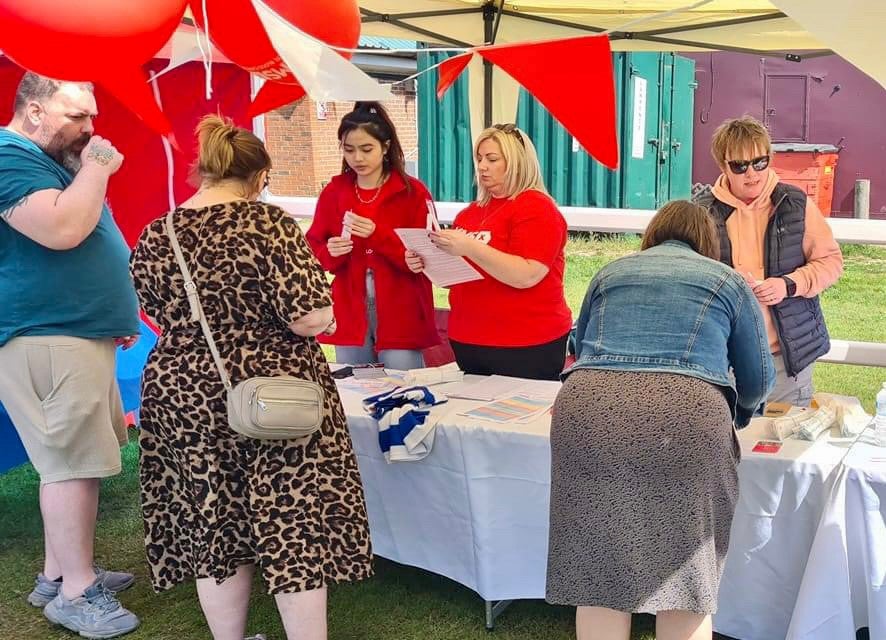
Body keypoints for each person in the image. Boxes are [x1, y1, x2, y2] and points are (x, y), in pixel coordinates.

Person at [129, 115, 372, 640]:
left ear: (204, 171)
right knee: (292, 520)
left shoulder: (157, 232)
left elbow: (151, 307)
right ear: (259, 176)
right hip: (270, 390)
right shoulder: (269, 224)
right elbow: (308, 315)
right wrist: (326, 317)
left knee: (213, 518)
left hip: (182, 391)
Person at [546, 201, 775, 640]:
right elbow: (759, 379)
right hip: (685, 417)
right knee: (686, 574)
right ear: (708, 243)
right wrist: (738, 415)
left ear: (651, 235)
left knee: (597, 573)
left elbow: (579, 343)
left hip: (588, 410)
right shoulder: (725, 280)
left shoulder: (610, 272)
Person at [0, 73, 140, 638]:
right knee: (71, 464)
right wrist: (99, 168)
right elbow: (61, 228)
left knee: (69, 460)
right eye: (77, 115)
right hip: (47, 334)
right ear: (34, 111)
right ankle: (78, 591)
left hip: (74, 333)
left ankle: (60, 574)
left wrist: (111, 316)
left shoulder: (46, 157)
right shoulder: (10, 155)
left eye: (93, 116)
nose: (90, 129)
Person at [695, 115, 843, 406]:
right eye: (740, 165)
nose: (751, 173)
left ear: (769, 159)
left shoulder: (795, 203)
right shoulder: (702, 212)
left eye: (759, 162)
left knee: (785, 446)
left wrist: (788, 285)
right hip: (723, 361)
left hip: (787, 361)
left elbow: (831, 262)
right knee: (726, 447)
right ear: (722, 166)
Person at [418, 123, 572, 380]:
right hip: (470, 339)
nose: (482, 166)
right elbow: (459, 277)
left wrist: (469, 246)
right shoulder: (469, 214)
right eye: (479, 158)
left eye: (492, 159)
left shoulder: (537, 208)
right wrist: (426, 260)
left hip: (526, 342)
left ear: (516, 162)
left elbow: (526, 275)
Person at [305, 101, 438, 371]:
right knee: (356, 390)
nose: (358, 158)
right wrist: (331, 250)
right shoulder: (335, 192)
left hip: (402, 307)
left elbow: (429, 254)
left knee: (405, 390)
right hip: (350, 306)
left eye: (367, 149)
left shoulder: (413, 192)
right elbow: (313, 248)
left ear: (385, 147)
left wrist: (379, 237)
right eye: (349, 150)